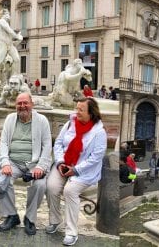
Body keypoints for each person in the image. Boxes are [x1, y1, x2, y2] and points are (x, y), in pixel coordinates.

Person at [46, 97, 107, 246]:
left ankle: (72, 232)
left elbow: (96, 157)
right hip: (64, 164)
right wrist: (60, 162)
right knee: (51, 187)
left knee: (69, 191)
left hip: (84, 171)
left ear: (91, 113)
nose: (77, 112)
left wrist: (76, 170)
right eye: (77, 108)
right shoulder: (70, 124)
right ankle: (55, 221)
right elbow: (59, 144)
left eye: (81, 110)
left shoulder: (99, 132)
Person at [0, 93, 52, 235]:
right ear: (15, 105)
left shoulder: (42, 120)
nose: (22, 106)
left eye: (25, 103)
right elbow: (3, 143)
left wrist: (40, 166)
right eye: (19, 103)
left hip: (34, 164)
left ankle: (30, 218)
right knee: (1, 181)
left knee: (40, 185)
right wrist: (5, 163)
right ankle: (12, 216)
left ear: (32, 104)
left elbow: (47, 146)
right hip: (13, 162)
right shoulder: (10, 119)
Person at [0, 9, 23, 85]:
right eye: (8, 14)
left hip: (10, 44)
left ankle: (13, 77)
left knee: (16, 59)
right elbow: (9, 30)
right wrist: (17, 36)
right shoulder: (1, 22)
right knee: (0, 62)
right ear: (4, 14)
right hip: (3, 43)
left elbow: (9, 35)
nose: (9, 16)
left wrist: (18, 37)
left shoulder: (5, 23)